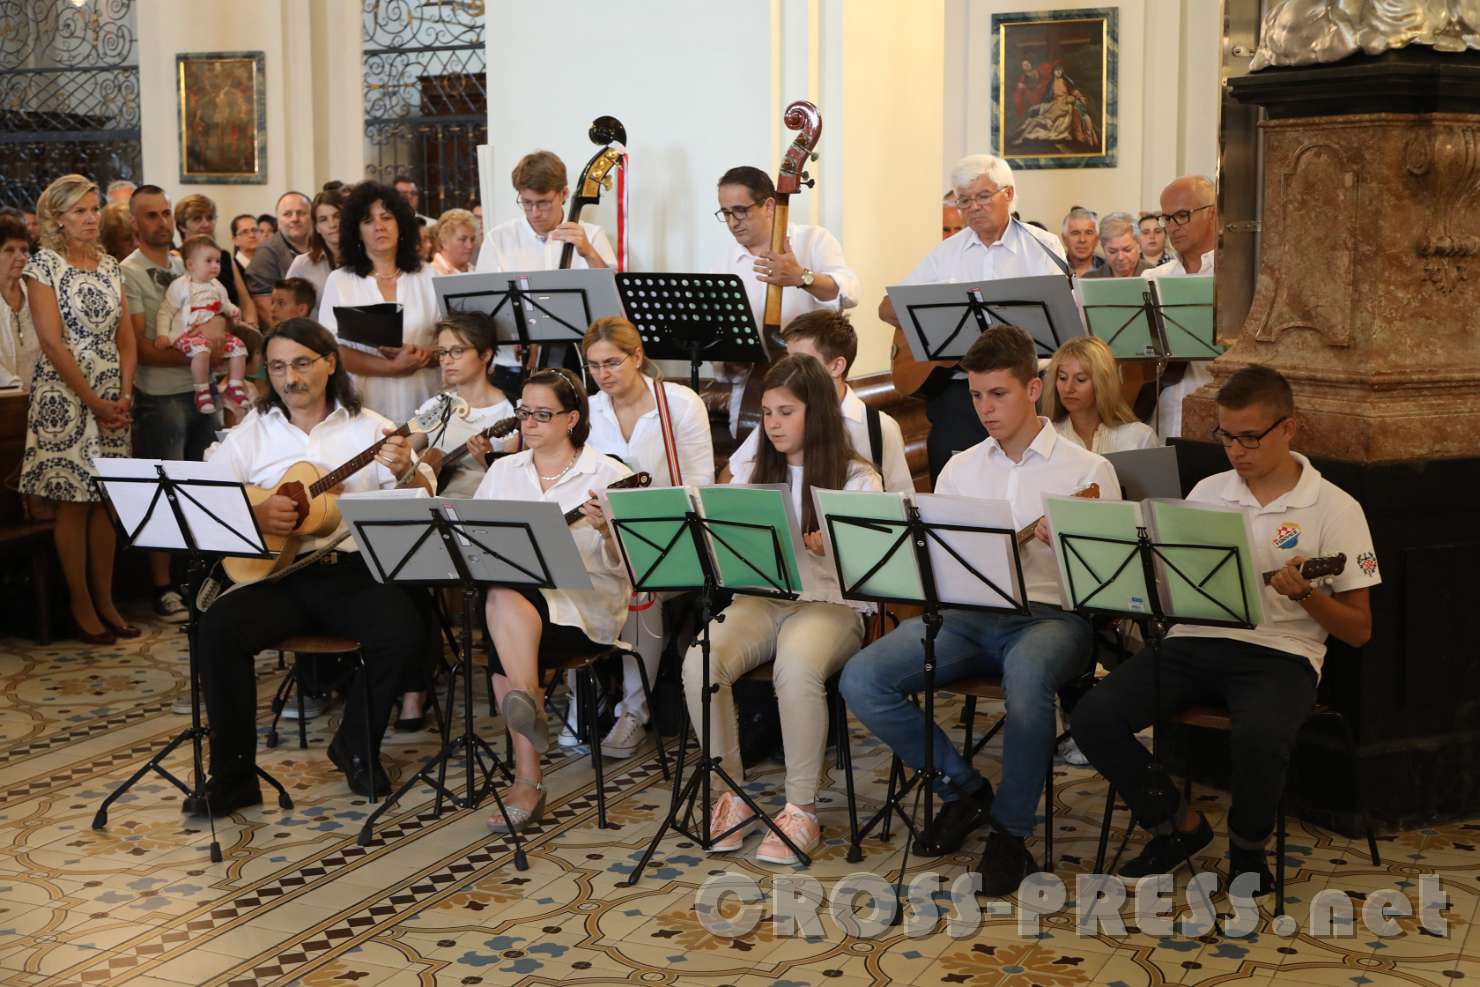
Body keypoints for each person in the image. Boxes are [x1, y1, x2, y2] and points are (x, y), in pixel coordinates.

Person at [1072, 366, 1379, 894]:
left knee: (1260, 735)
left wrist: (1306, 594)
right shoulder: (1209, 490)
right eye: (1226, 437)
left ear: (1289, 429)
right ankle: (1177, 825)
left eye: (1250, 437)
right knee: (1094, 716)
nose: (1236, 451)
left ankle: (1247, 849)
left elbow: (1359, 631)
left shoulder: (1336, 507)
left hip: (1281, 652)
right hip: (1194, 641)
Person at [841, 325, 1119, 895]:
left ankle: (1010, 833)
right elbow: (937, 569)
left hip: (1051, 618)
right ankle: (961, 788)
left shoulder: (1088, 472)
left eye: (999, 394)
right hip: (969, 616)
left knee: (1028, 678)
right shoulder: (961, 467)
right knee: (862, 677)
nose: (985, 408)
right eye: (975, 395)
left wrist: (1062, 546)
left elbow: (1104, 584)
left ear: (1033, 389)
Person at [194, 318, 428, 814]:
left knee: (401, 630)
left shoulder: (373, 428)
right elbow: (204, 501)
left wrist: (405, 469)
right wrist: (256, 514)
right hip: (277, 575)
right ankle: (233, 776)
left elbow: (420, 500)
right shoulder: (251, 432)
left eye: (301, 363)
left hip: (349, 571)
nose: (289, 377)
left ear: (329, 363)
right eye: (277, 367)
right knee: (217, 630)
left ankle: (356, 744)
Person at [685, 354, 881, 865]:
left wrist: (832, 550)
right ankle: (730, 796)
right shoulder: (752, 469)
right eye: (767, 412)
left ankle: (801, 809)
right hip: (763, 597)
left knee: (796, 665)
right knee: (700, 659)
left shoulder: (857, 477)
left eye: (786, 412)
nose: (773, 424)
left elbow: (873, 569)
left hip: (832, 604)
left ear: (815, 413)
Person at [475, 368, 633, 834]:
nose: (530, 423)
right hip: (516, 612)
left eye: (543, 414)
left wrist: (607, 532)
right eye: (524, 412)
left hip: (581, 612)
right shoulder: (504, 470)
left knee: (503, 619)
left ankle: (528, 772)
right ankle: (530, 709)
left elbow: (633, 571)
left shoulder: (609, 475)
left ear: (572, 419)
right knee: (503, 592)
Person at [884, 153, 1070, 483]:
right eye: (964, 200)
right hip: (958, 393)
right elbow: (887, 307)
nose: (973, 207)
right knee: (956, 486)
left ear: (1008, 195)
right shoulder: (947, 252)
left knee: (1023, 478)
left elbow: (1059, 317)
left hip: (1019, 389)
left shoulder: (1041, 245)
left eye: (983, 196)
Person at [580, 315, 715, 758]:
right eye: (594, 365)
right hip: (603, 532)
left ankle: (632, 711)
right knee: (569, 572)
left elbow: (700, 484)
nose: (604, 375)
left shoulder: (678, 403)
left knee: (641, 583)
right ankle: (581, 701)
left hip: (668, 536)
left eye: (613, 363)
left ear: (638, 357)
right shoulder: (589, 409)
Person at [20, 175, 137, 643]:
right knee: (74, 503)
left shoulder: (110, 265)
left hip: (112, 392)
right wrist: (92, 401)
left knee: (106, 501)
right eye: (80, 212)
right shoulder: (42, 266)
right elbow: (51, 340)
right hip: (65, 396)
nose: (91, 219)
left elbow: (126, 337)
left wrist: (124, 394)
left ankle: (106, 599)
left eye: (94, 209)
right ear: (58, 220)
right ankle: (81, 604)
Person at [708, 165, 861, 446]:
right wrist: (726, 359)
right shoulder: (724, 263)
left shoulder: (813, 239)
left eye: (740, 210)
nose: (732, 222)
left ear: (768, 205)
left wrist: (801, 277)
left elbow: (849, 291)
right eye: (725, 213)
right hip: (753, 392)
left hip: (811, 384)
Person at [122, 185, 206, 624]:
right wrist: (201, 351)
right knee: (164, 490)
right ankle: (162, 585)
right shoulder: (128, 272)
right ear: (134, 224)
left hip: (200, 389)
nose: (162, 222)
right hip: (159, 394)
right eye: (150, 216)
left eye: (166, 213)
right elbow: (142, 346)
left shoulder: (186, 265)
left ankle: (201, 576)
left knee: (205, 487)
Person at [723, 310, 913, 494]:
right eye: (788, 359)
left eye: (803, 360)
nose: (792, 369)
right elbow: (731, 475)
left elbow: (902, 502)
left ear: (836, 366)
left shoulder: (880, 427)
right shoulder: (778, 419)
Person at [475, 151, 618, 385]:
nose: (534, 213)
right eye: (527, 203)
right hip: (513, 366)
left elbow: (614, 305)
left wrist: (589, 253)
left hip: (575, 364)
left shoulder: (591, 235)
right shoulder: (498, 239)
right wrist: (518, 336)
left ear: (563, 194)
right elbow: (483, 310)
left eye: (543, 203)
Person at [318, 181, 440, 424]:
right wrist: (394, 367)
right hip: (365, 407)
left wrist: (424, 355)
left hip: (425, 402)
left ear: (401, 225)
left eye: (386, 217)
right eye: (368, 221)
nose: (379, 227)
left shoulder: (429, 276)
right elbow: (333, 351)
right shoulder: (340, 280)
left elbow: (452, 342)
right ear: (357, 232)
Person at [1147, 175, 1218, 440]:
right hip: (1159, 412)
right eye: (1167, 218)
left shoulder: (1237, 279)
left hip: (1217, 413)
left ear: (1213, 213)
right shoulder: (1153, 279)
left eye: (1182, 215)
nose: (1173, 227)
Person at [154, 236, 249, 414]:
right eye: (209, 261)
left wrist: (234, 311)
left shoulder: (217, 286)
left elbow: (225, 304)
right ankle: (202, 390)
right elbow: (166, 311)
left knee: (239, 347)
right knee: (201, 350)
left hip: (212, 334)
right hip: (188, 334)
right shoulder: (180, 286)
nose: (215, 265)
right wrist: (163, 335)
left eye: (217, 261)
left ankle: (234, 386)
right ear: (191, 265)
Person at [1044, 336, 1159, 453]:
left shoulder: (1139, 438)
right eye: (1062, 378)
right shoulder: (1047, 438)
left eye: (1081, 379)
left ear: (1103, 383)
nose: (1068, 388)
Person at [174, 194, 260, 331]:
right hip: (194, 333)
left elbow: (246, 301)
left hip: (235, 328)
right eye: (197, 219)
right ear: (182, 226)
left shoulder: (224, 256)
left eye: (210, 218)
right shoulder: (176, 258)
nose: (206, 224)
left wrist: (252, 328)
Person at [246, 192, 312, 324]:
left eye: (301, 213)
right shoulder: (266, 254)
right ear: (277, 221)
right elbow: (269, 312)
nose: (295, 218)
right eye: (287, 214)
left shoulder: (324, 245)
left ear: (312, 217)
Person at [285, 188, 344, 320]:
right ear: (316, 227)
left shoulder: (368, 258)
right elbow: (284, 309)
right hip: (316, 337)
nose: (332, 224)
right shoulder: (302, 265)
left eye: (337, 216)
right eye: (323, 219)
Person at [0, 214, 39, 390]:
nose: (21, 257)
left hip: (43, 402)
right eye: (9, 250)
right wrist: (20, 390)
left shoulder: (38, 296)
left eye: (23, 250)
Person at [1081, 212, 1147, 280]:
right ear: (1103, 249)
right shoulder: (1089, 280)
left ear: (1139, 246)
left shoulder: (1155, 275)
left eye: (1127, 250)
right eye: (1113, 251)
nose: (1120, 257)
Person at [430, 208, 478, 275]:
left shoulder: (477, 270)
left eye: (472, 239)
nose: (470, 246)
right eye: (463, 240)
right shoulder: (431, 274)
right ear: (443, 242)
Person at [1061, 207, 1104, 277]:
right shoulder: (1052, 270)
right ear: (1064, 239)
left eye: (1088, 233)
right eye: (1075, 233)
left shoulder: (1112, 271)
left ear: (1097, 239)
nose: (1082, 239)